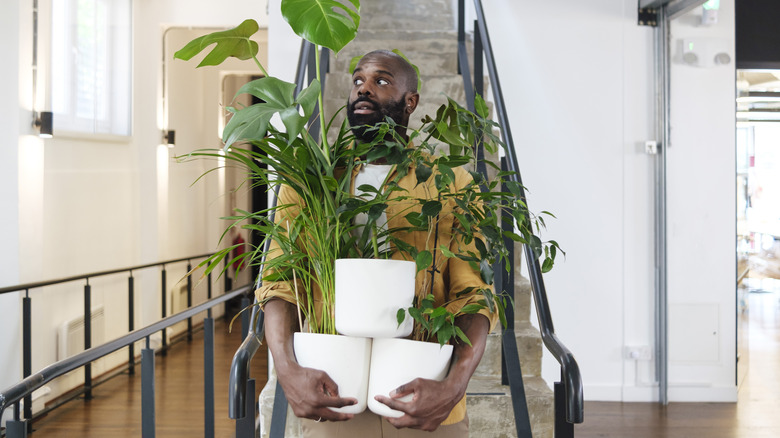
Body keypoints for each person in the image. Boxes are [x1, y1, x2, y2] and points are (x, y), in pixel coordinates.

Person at [258, 50, 496, 437]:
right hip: (333, 395)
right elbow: (279, 281)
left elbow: (475, 293)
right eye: (357, 81)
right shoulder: (312, 179)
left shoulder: (451, 184)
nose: (363, 89)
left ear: (410, 101)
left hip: (422, 396)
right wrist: (286, 371)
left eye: (381, 81)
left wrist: (454, 387)